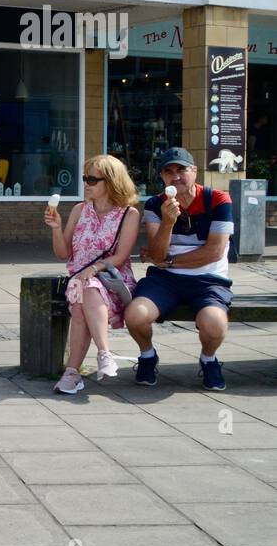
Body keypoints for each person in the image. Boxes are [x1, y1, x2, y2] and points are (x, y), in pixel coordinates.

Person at [123, 148, 234, 390]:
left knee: (215, 322)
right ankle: (147, 355)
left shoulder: (218, 200)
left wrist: (169, 261)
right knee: (134, 315)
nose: (176, 176)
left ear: (194, 171)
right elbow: (157, 254)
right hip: (166, 280)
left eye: (182, 170)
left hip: (209, 280)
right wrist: (168, 223)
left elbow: (213, 252)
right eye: (168, 171)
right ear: (162, 176)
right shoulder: (155, 204)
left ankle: (209, 359)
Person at [44, 155, 140, 395]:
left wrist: (93, 270)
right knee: (81, 300)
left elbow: (121, 256)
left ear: (111, 182)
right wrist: (56, 229)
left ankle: (74, 372)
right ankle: (96, 359)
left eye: (92, 179)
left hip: (113, 281)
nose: (86, 183)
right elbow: (63, 253)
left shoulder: (129, 214)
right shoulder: (79, 210)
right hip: (80, 281)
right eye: (85, 178)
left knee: (86, 293)